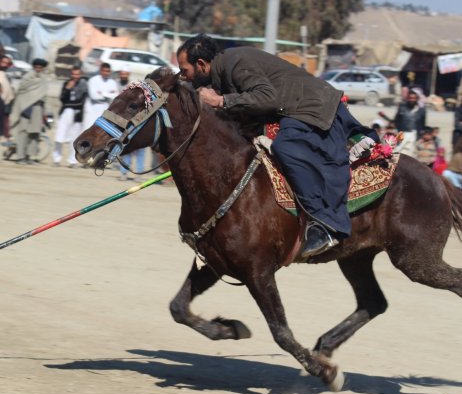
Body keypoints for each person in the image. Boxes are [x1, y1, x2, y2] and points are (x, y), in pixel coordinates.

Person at [177, 34, 378, 257]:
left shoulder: (236, 64)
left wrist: (221, 101)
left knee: (286, 148)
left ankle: (326, 225)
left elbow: (267, 97)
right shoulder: (219, 74)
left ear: (202, 65)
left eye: (185, 71)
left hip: (310, 107)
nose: (184, 77)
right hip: (290, 109)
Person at [9, 58, 49, 164]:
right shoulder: (27, 77)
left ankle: (29, 156)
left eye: (40, 68)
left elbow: (44, 96)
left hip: (37, 108)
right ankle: (20, 156)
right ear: (34, 67)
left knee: (34, 133)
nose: (38, 69)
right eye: (37, 67)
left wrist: (44, 112)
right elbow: (21, 90)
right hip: (26, 107)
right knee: (23, 132)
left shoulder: (44, 79)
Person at [52, 66, 88, 168]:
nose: (75, 76)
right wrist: (68, 89)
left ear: (80, 75)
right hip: (65, 113)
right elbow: (62, 99)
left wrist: (69, 104)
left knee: (75, 139)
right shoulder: (66, 84)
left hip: (77, 114)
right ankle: (56, 159)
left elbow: (81, 102)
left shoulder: (84, 85)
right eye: (73, 74)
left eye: (77, 74)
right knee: (59, 136)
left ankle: (72, 161)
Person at [83, 62, 119, 130]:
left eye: (108, 71)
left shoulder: (112, 82)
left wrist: (102, 93)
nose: (106, 73)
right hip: (92, 108)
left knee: (100, 130)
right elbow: (94, 96)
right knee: (88, 128)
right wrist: (109, 94)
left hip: (105, 107)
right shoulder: (93, 80)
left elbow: (116, 96)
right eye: (104, 71)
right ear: (100, 71)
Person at [393, 90, 426, 157]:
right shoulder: (402, 108)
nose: (412, 100)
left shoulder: (421, 110)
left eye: (414, 98)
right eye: (410, 98)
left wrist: (419, 136)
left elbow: (422, 125)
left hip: (413, 134)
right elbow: (396, 121)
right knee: (396, 152)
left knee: (408, 155)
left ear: (417, 99)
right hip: (402, 133)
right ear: (408, 98)